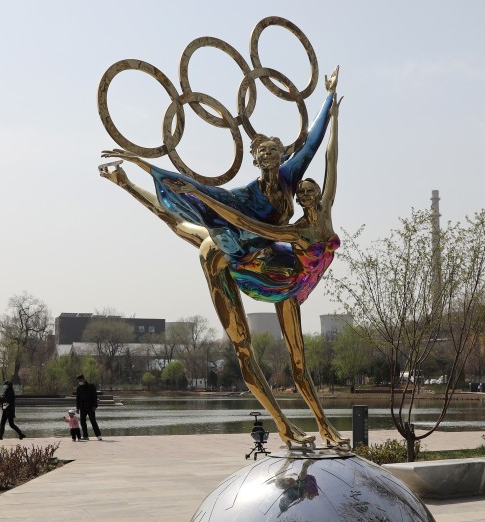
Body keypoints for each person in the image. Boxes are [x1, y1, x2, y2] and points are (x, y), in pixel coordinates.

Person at [98, 70, 346, 448]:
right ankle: (282, 425)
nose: (268, 155)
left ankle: (325, 425)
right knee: (241, 342)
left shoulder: (292, 180)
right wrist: (141, 166)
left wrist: (329, 99)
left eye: (274, 151)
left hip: (278, 269)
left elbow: (315, 147)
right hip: (231, 256)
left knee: (299, 356)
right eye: (261, 151)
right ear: (253, 159)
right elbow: (223, 209)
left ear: (282, 156)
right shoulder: (243, 195)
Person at [75, 374, 101, 441]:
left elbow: (95, 396)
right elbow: (78, 398)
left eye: (80, 380)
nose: (79, 382)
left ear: (84, 379)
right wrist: (77, 408)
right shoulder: (78, 388)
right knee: (82, 422)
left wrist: (95, 406)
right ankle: (85, 436)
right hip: (82, 407)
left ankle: (98, 435)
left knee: (93, 421)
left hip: (90, 406)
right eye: (78, 381)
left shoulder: (91, 386)